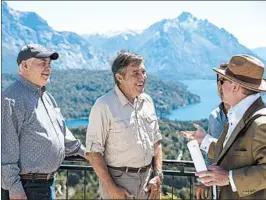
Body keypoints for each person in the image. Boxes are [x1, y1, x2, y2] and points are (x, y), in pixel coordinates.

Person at [1, 44, 86, 200]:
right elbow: (5, 151)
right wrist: (15, 190)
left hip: (45, 185)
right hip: (26, 188)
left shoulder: (46, 97)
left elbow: (62, 135)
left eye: (49, 64)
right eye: (42, 63)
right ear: (24, 66)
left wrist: (86, 153)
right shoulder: (10, 100)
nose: (48, 68)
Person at [180, 54, 266, 199]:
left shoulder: (261, 123)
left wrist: (229, 178)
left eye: (223, 80)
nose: (220, 86)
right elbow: (234, 152)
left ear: (234, 87)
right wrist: (205, 140)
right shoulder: (238, 115)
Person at [85, 51, 163, 199]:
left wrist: (158, 175)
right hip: (120, 183)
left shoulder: (147, 101)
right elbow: (93, 153)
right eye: (135, 73)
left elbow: (156, 142)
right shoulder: (104, 105)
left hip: (149, 182)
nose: (142, 77)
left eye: (143, 72)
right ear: (120, 77)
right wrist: (112, 188)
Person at [195, 64, 230, 200]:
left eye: (225, 81)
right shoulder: (214, 116)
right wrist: (204, 180)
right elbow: (209, 156)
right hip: (217, 190)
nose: (221, 87)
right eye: (219, 81)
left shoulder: (250, 119)